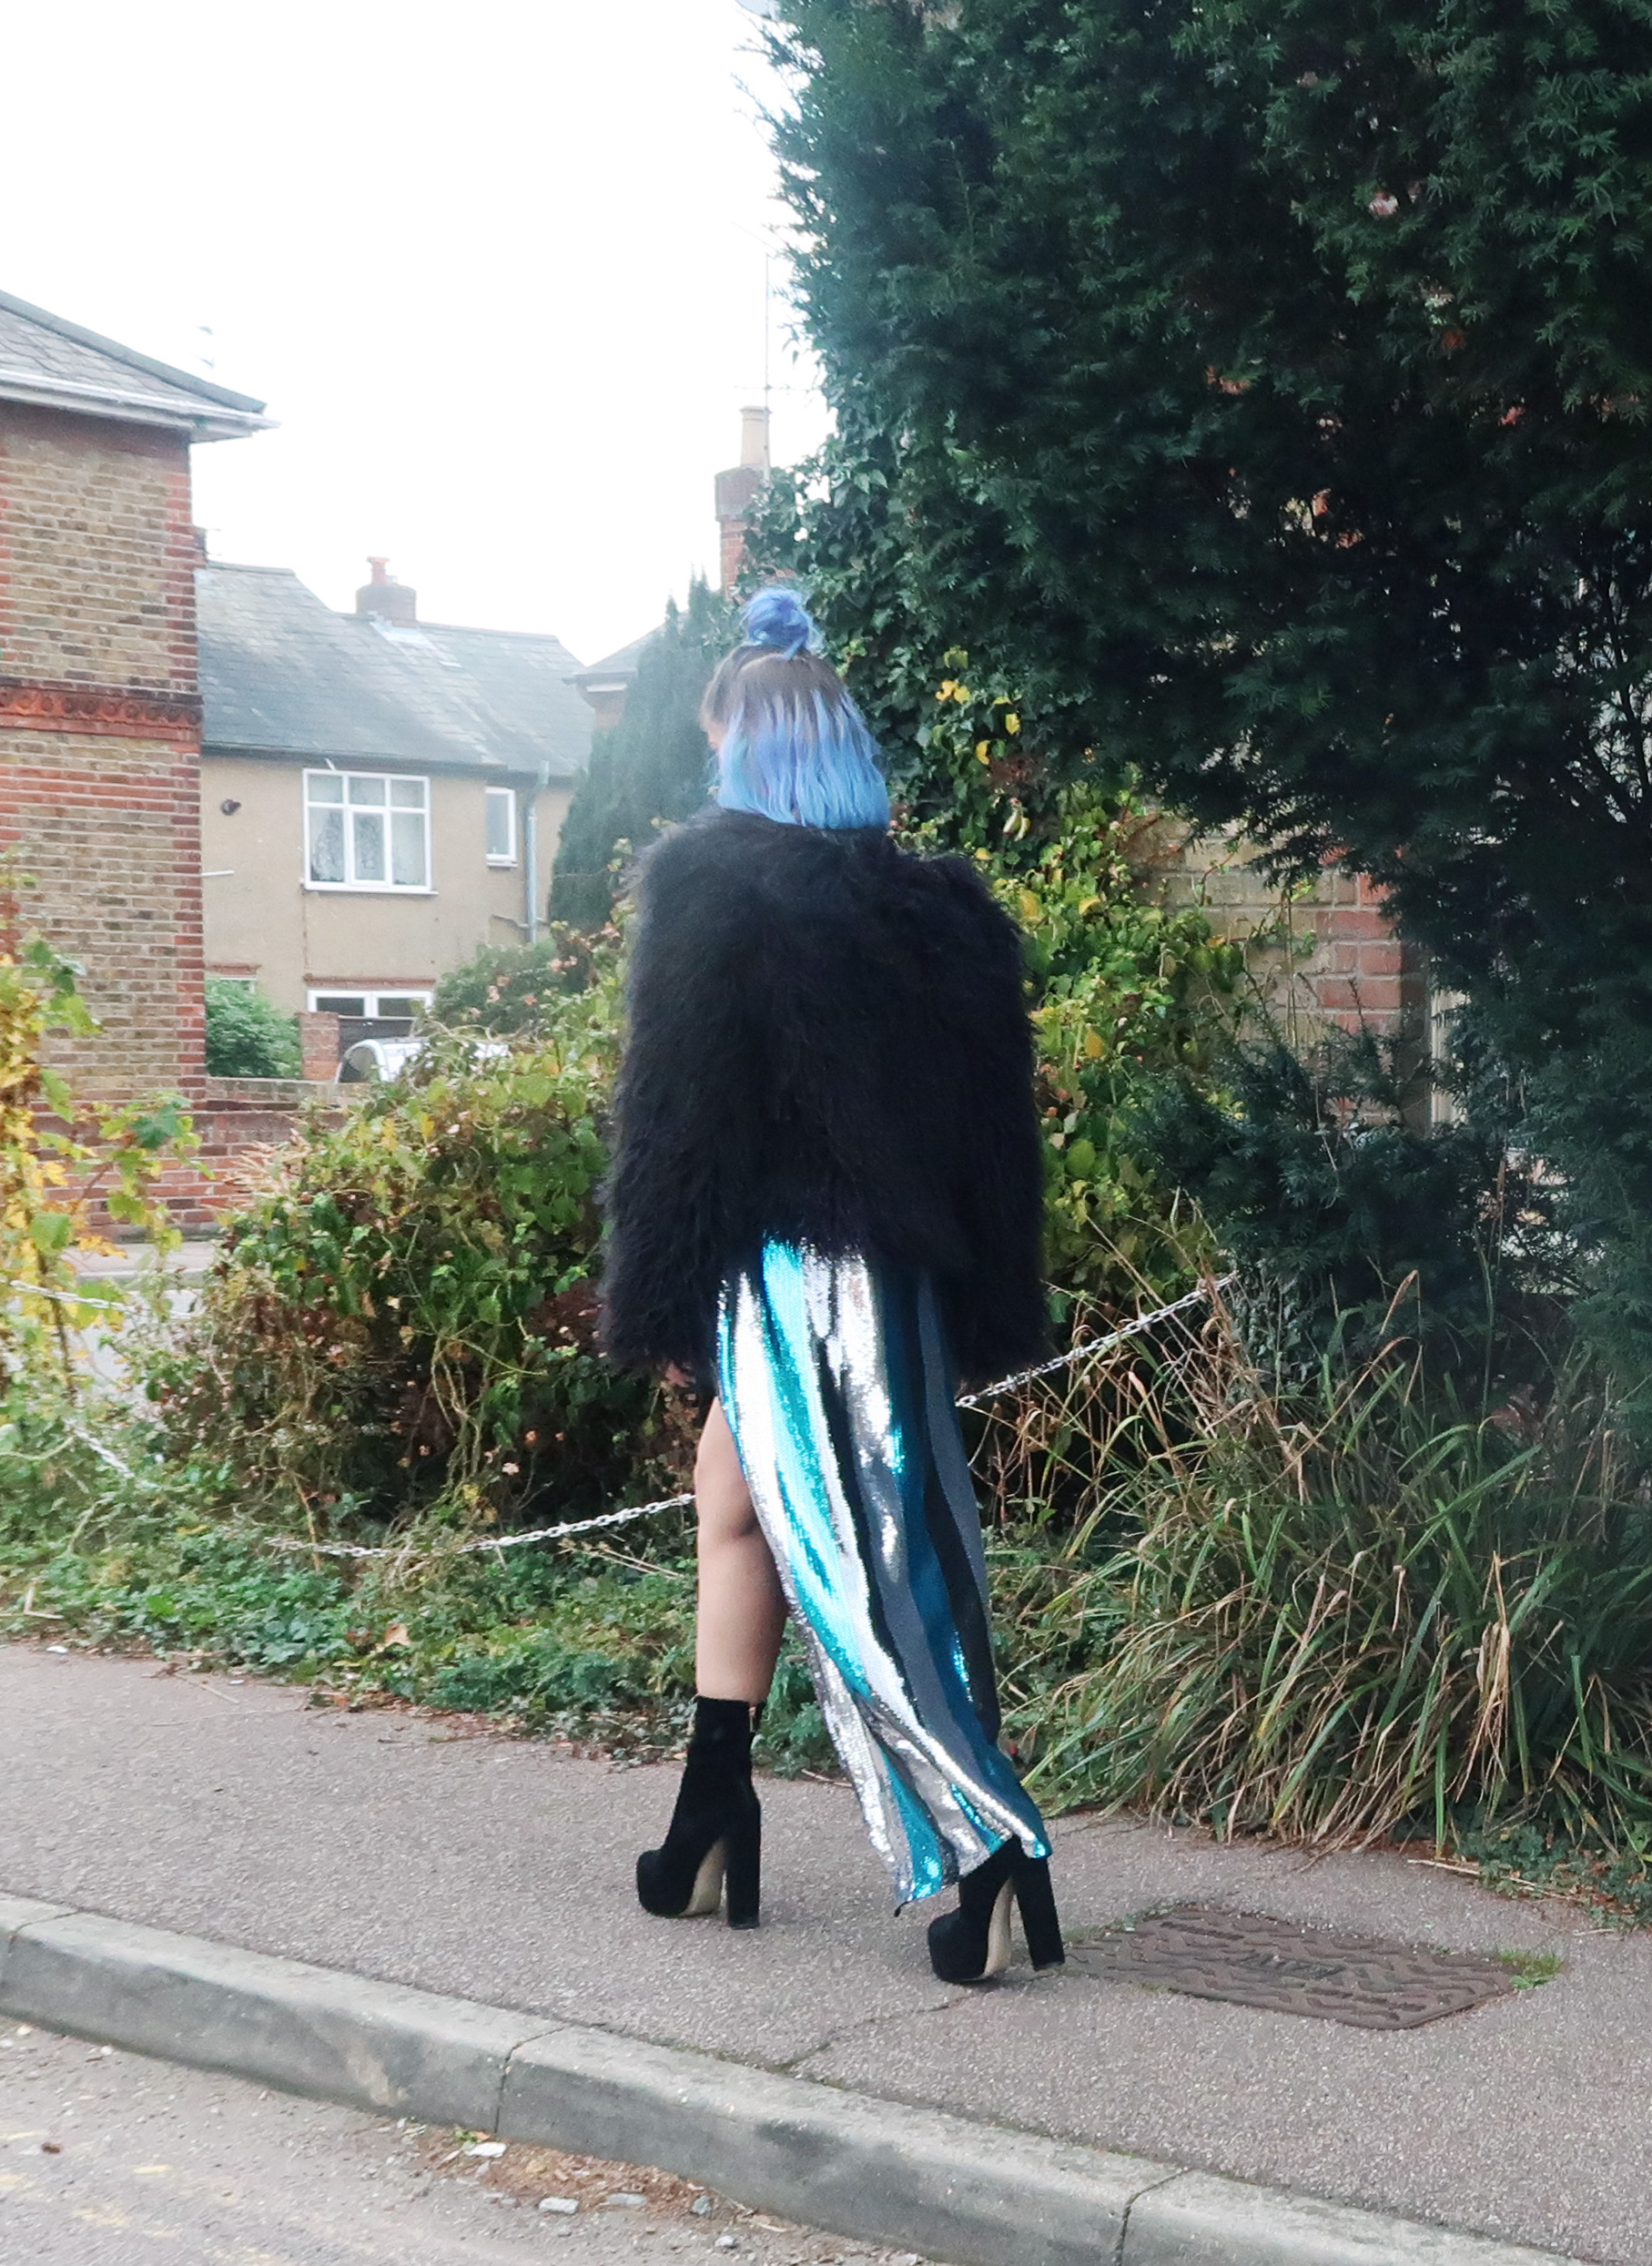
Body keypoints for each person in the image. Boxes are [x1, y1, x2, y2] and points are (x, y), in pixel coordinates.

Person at [600, 585, 1060, 1984]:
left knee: (857, 1565)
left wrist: (669, 1294)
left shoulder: (716, 885)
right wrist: (979, 1302)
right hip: (903, 1280)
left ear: (744, 747)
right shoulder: (940, 912)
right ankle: (710, 1808)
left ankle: (991, 1839)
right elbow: (1000, 1142)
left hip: (786, 1272)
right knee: (736, 1503)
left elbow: (678, 1121)